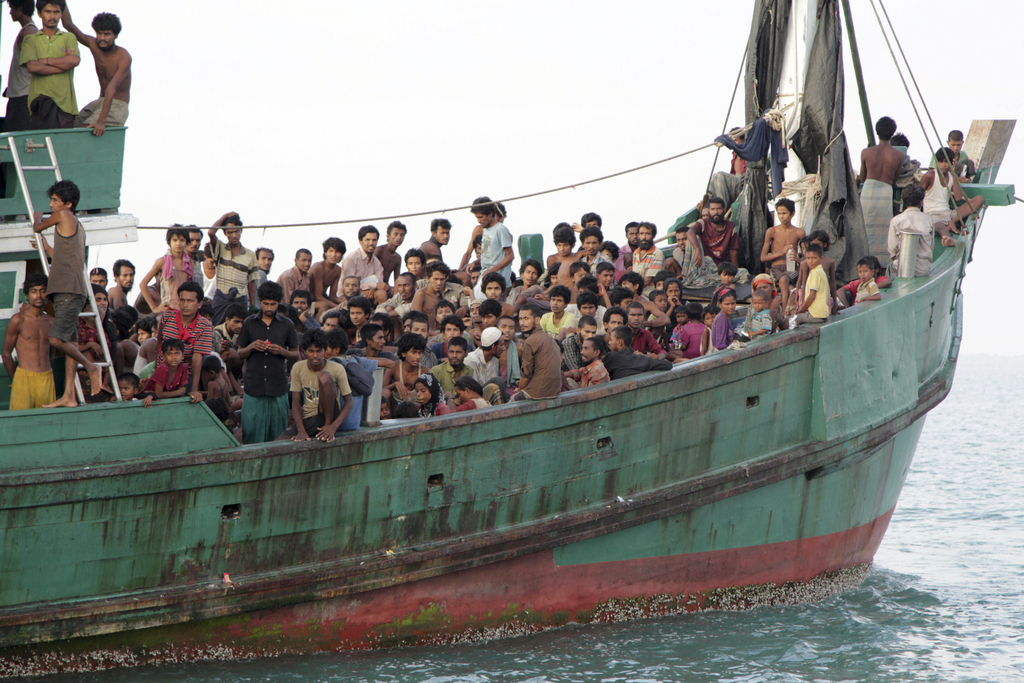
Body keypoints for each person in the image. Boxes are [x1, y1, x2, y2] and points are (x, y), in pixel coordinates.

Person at [31, 180, 103, 405]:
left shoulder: (63, 215)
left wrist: (36, 215)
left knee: (56, 339)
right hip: (70, 289)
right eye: (51, 200)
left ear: (68, 204)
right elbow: (64, 257)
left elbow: (36, 226)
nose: (51, 205)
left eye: (55, 201)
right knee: (69, 341)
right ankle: (69, 396)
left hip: (68, 290)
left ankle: (92, 368)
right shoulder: (75, 224)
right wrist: (45, 248)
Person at [236, 281, 299, 443]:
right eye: (265, 304)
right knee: (251, 434)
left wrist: (281, 351)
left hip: (277, 388)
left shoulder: (287, 325)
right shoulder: (249, 323)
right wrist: (251, 346)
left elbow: (295, 354)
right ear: (259, 301)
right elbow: (239, 353)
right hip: (254, 388)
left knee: (277, 435)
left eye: (273, 304)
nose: (269, 308)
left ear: (279, 303)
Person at [60, 6, 130, 136]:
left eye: (107, 34)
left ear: (115, 35)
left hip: (117, 105)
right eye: (99, 33)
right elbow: (68, 25)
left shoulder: (124, 57)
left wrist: (101, 122)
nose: (102, 38)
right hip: (101, 101)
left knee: (86, 130)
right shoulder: (94, 44)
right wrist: (61, 3)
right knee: (71, 127)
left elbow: (111, 89)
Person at [283, 330, 354, 442]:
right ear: (305, 351)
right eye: (311, 351)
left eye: (319, 351)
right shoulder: (298, 367)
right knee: (280, 441)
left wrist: (333, 427)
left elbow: (349, 402)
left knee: (324, 376)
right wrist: (301, 430)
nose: (315, 356)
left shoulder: (337, 368)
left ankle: (326, 427)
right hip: (309, 419)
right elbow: (296, 402)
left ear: (325, 351)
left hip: (330, 417)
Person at [22, 0, 79, 129]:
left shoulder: (69, 37)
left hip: (66, 106)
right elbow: (32, 67)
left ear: (61, 14)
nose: (52, 17)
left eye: (56, 12)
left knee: (63, 147)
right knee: (41, 146)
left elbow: (74, 61)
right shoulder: (30, 39)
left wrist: (45, 61)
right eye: (48, 12)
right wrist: (63, 67)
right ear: (39, 13)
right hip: (40, 105)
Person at [3, 273, 55, 409]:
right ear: (27, 295)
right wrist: (16, 378)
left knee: (46, 422)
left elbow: (52, 351)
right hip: (23, 377)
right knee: (20, 421)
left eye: (43, 291)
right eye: (33, 291)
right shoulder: (18, 320)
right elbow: (6, 353)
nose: (38, 295)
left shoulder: (51, 322)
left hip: (46, 377)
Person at [154, 281, 212, 402]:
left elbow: (197, 357)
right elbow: (159, 343)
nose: (185, 305)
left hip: (185, 376)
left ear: (199, 304)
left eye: (190, 301)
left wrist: (194, 389)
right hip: (162, 372)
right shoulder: (167, 317)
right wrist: (156, 369)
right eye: (182, 300)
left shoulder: (204, 325)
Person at [858, 116, 906, 265]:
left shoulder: (866, 152)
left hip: (868, 191)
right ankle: (881, 267)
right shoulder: (899, 155)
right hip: (885, 192)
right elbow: (893, 180)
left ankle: (862, 266)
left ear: (877, 132)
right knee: (884, 232)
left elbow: (863, 177)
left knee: (864, 230)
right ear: (893, 133)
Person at [888, 183, 950, 278]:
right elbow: (931, 246)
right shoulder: (929, 220)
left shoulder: (896, 221)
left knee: (889, 268)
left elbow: (892, 249)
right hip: (923, 270)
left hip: (901, 270)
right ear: (921, 202)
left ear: (904, 201)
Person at [921, 147, 985, 237]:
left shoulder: (951, 176)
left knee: (980, 199)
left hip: (948, 214)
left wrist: (954, 174)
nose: (943, 165)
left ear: (952, 162)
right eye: (941, 162)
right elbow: (918, 194)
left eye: (946, 162)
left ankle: (952, 222)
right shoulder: (929, 176)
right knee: (939, 226)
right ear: (937, 162)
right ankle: (946, 238)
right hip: (932, 215)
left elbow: (958, 197)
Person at [205, 212, 258, 320]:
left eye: (237, 231)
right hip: (221, 299)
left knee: (238, 330)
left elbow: (251, 282)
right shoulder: (220, 247)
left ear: (241, 231)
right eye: (230, 232)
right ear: (225, 233)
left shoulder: (250, 254)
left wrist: (252, 305)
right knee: (217, 329)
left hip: (240, 300)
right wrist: (225, 216)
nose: (234, 235)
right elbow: (211, 232)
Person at [760, 198, 804, 309]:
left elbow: (805, 258)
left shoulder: (799, 233)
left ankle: (785, 311)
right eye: (779, 213)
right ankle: (786, 310)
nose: (781, 216)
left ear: (792, 214)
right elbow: (763, 257)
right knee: (786, 283)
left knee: (785, 280)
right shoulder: (772, 231)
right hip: (776, 269)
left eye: (784, 213)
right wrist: (781, 253)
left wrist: (797, 259)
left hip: (791, 269)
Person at [139, 227, 194, 313]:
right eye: (175, 240)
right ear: (169, 243)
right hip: (168, 309)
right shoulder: (162, 261)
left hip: (185, 310)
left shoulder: (189, 263)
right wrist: (154, 308)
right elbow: (143, 284)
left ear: (186, 243)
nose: (178, 243)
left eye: (182, 240)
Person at [513, 304, 561, 401]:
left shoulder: (530, 341)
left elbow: (526, 375)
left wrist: (520, 390)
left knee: (511, 401)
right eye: (520, 319)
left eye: (526, 318)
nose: (522, 323)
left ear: (537, 320)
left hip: (537, 393)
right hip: (555, 391)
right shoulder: (549, 337)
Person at [3, 0, 37, 133]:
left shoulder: (29, 32)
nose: (10, 12)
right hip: (18, 95)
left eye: (12, 8)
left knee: (18, 139)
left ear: (20, 8)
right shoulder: (27, 31)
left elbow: (36, 64)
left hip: (23, 97)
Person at [471, 196, 514, 284]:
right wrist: (475, 263)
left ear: (490, 214)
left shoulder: (500, 229)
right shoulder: (486, 229)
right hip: (485, 275)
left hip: (498, 279)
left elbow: (510, 256)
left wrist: (492, 270)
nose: (479, 221)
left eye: (481, 217)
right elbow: (491, 257)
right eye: (477, 218)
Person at [686, 197, 740, 267]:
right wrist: (697, 249)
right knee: (693, 237)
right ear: (709, 211)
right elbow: (689, 232)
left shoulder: (730, 226)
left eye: (719, 209)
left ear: (724, 210)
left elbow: (733, 251)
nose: (716, 212)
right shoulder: (703, 223)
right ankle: (687, 274)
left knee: (743, 273)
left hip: (721, 266)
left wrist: (735, 270)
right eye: (713, 209)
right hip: (704, 264)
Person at [602, 326, 672, 380]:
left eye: (611, 340)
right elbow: (668, 365)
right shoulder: (641, 359)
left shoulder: (611, 357)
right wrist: (647, 356)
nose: (609, 342)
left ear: (620, 342)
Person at [342, 225, 388, 305]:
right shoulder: (351, 258)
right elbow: (349, 285)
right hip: (349, 295)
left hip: (368, 294)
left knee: (382, 293)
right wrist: (374, 285)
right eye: (367, 240)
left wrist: (373, 289)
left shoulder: (376, 262)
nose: (371, 243)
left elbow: (380, 284)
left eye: (374, 240)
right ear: (360, 241)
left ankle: (379, 316)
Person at [383, 332, 430, 403]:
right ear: (403, 353)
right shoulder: (394, 367)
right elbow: (381, 390)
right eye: (414, 352)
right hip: (395, 410)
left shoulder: (425, 372)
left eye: (420, 353)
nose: (417, 357)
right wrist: (395, 384)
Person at [792, 244, 831, 325]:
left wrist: (802, 310)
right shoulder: (820, 271)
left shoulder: (815, 273)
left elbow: (812, 296)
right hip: (822, 314)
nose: (810, 261)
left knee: (789, 320)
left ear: (821, 258)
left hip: (815, 315)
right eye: (808, 258)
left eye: (814, 258)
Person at [630, 222, 663, 288]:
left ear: (653, 236)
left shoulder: (657, 253)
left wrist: (635, 290)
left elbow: (648, 280)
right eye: (641, 234)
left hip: (649, 292)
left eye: (647, 234)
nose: (644, 237)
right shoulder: (636, 252)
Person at [375, 220, 406, 289]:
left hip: (386, 288)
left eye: (402, 235)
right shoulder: (379, 251)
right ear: (388, 236)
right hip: (373, 286)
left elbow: (397, 280)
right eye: (396, 234)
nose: (399, 237)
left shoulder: (397, 258)